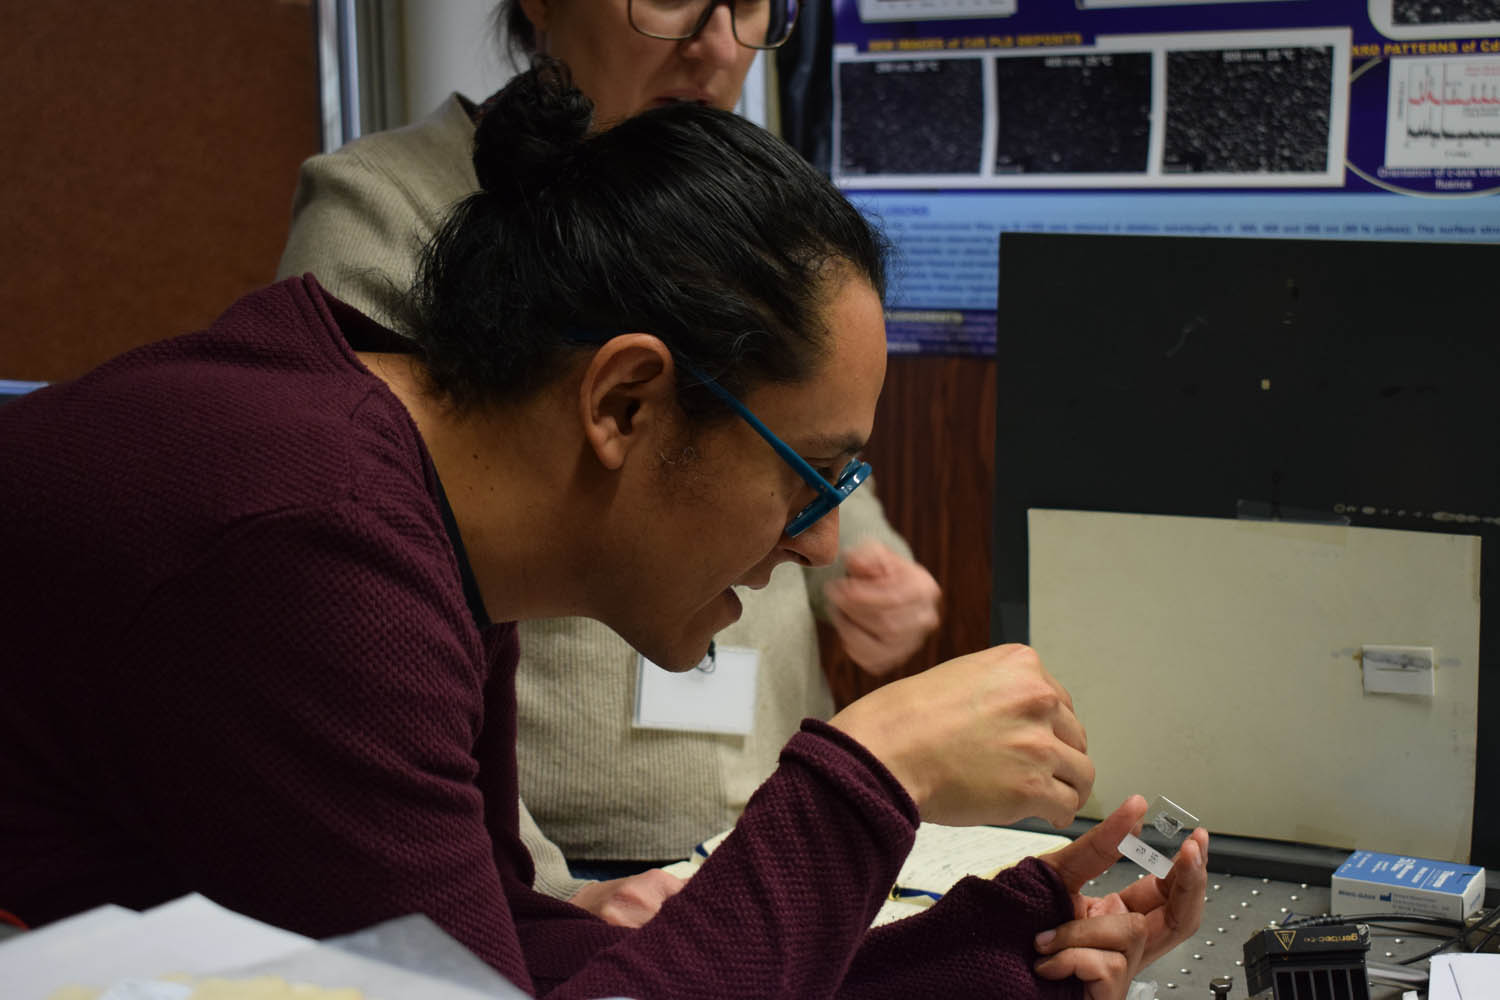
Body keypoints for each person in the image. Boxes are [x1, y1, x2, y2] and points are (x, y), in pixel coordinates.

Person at [0, 63, 1206, 998]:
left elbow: (495, 961)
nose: (820, 546)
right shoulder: (311, 544)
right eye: (811, 476)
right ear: (625, 401)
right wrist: (866, 777)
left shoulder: (415, 497)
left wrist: (990, 952)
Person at [275, 0, 943, 919]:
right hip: (564, 851)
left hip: (764, 803)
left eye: (751, 7)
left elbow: (804, 431)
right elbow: (365, 596)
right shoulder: (389, 204)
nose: (719, 48)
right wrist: (541, 902)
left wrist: (873, 565)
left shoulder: (751, 214)